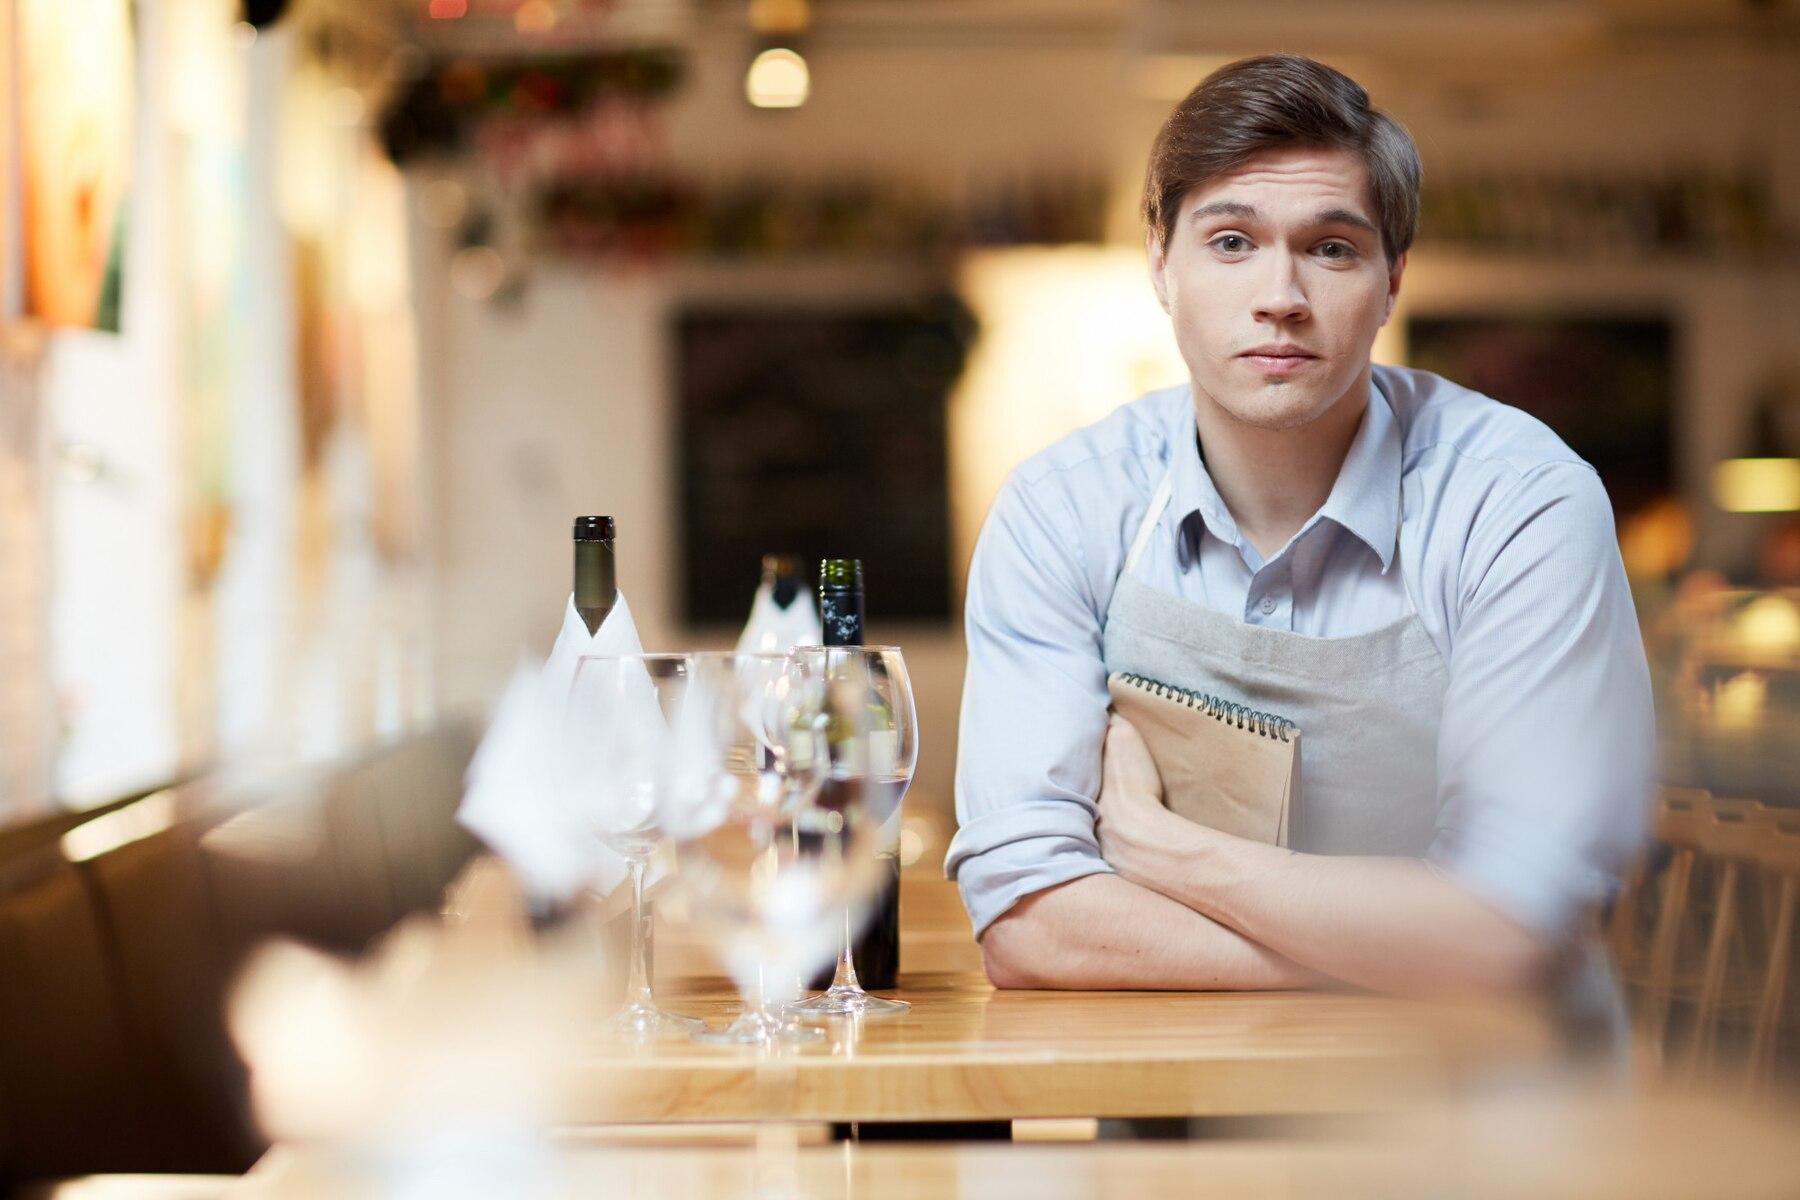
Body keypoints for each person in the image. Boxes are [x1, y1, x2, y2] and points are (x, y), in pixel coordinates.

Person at [945, 54, 1654, 1038]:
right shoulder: (1066, 511)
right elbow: (1029, 925)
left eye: (1330, 249)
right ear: (1161, 263)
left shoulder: (1518, 503)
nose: (1279, 295)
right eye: (1231, 241)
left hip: (1495, 1134)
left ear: (1392, 278)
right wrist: (1408, 948)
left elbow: (1512, 929)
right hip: (1170, 1154)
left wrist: (1162, 850)